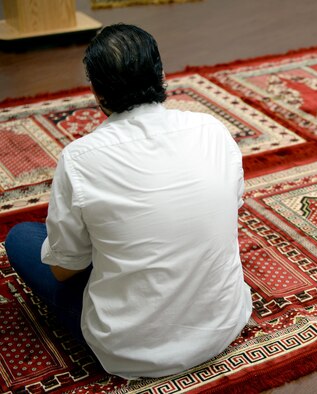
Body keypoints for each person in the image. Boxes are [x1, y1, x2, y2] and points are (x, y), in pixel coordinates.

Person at [4, 24, 252, 379]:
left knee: (22, 239)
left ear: (96, 93)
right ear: (161, 74)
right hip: (225, 323)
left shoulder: (80, 159)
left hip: (131, 350)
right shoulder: (212, 130)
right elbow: (231, 208)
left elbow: (64, 269)